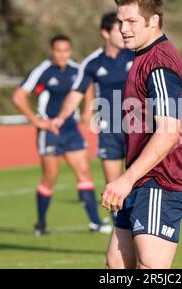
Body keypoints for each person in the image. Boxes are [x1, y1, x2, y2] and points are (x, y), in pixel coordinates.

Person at [50, 0, 182, 269]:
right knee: (116, 266)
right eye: (121, 22)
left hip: (161, 181)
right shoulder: (141, 57)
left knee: (150, 267)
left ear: (153, 21)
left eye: (131, 21)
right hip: (142, 180)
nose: (124, 29)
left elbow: (169, 132)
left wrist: (126, 179)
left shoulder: (159, 64)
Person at [12, 35, 112, 235]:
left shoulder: (77, 70)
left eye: (66, 50)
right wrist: (37, 121)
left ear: (70, 51)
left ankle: (95, 223)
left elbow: (88, 86)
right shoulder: (42, 71)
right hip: (50, 131)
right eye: (58, 50)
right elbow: (18, 96)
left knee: (84, 173)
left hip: (70, 129)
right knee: (50, 176)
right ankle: (41, 225)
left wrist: (87, 111)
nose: (62, 54)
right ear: (52, 51)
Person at [73, 12, 134, 222]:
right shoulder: (92, 62)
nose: (125, 32)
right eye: (119, 29)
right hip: (109, 129)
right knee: (113, 185)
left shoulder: (135, 54)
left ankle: (141, 225)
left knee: (140, 181)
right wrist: (63, 116)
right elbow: (78, 91)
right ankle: (120, 229)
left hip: (138, 127)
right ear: (105, 33)